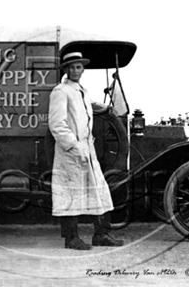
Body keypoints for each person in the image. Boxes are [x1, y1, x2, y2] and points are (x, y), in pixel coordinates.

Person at [49, 51, 124, 250]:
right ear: (66, 69)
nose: (75, 70)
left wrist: (106, 109)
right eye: (71, 67)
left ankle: (101, 235)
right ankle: (71, 238)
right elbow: (56, 124)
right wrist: (74, 146)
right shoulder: (60, 91)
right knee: (70, 193)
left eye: (79, 66)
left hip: (87, 149)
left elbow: (86, 109)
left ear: (83, 69)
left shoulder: (82, 91)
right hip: (71, 151)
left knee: (99, 190)